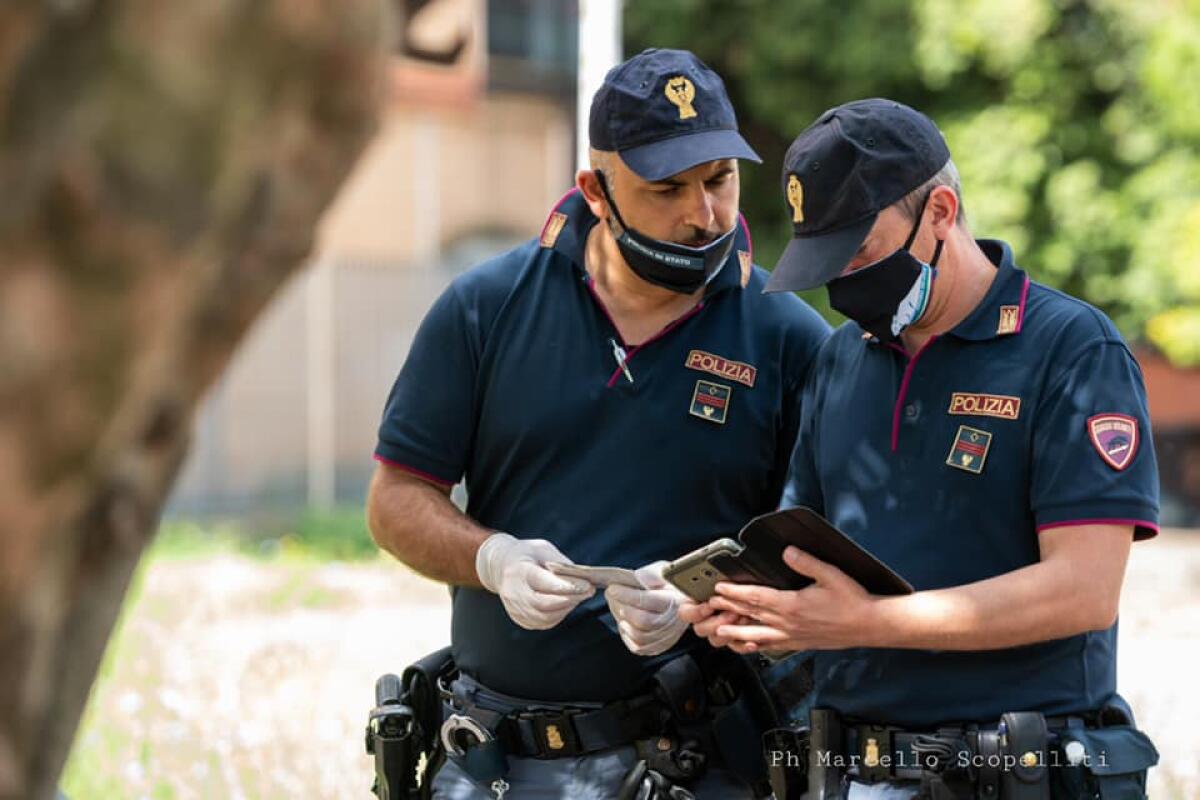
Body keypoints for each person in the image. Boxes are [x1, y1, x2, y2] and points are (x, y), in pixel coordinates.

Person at [366, 48, 830, 799]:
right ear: (595, 189)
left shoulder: (789, 335)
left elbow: (823, 543)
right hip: (498, 759)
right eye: (666, 188)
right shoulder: (486, 306)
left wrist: (702, 598)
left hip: (699, 757)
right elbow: (394, 501)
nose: (703, 214)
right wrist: (494, 559)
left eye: (720, 180)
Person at [682, 98, 1161, 800]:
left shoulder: (1070, 350)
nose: (844, 283)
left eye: (862, 253)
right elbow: (809, 568)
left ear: (940, 212)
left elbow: (1083, 590)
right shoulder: (840, 362)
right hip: (854, 773)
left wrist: (867, 623)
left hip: (1014, 773)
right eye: (827, 262)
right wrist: (752, 612)